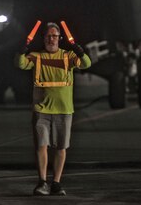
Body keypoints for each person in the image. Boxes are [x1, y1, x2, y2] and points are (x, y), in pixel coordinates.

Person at [17, 22, 91, 196]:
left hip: (64, 110)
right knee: (41, 146)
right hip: (41, 109)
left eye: (55, 36)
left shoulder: (68, 56)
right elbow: (20, 64)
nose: (51, 39)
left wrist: (79, 50)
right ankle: (42, 182)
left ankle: (56, 183)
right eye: (48, 36)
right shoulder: (36, 57)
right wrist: (22, 50)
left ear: (59, 38)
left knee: (60, 148)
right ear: (44, 38)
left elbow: (86, 63)